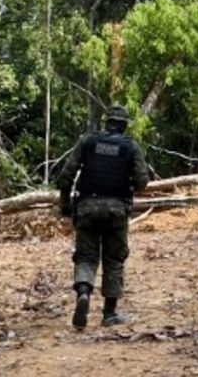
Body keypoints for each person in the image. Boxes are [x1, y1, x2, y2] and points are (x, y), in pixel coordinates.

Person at [57, 104, 149, 330]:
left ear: (106, 122)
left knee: (86, 256)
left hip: (87, 206)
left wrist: (65, 205)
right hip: (116, 209)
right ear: (125, 125)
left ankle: (84, 293)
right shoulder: (131, 147)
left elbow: (66, 175)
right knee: (114, 259)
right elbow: (142, 182)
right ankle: (109, 313)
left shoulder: (88, 142)